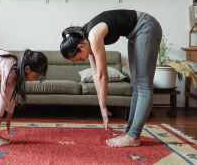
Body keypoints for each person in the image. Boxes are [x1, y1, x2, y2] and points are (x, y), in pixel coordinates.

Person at [60, 9, 162, 147]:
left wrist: (103, 107)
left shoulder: (93, 36)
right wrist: (102, 106)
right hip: (134, 34)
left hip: (146, 26)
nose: (79, 61)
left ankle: (133, 136)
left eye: (77, 59)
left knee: (143, 85)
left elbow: (103, 75)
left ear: (80, 47)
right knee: (136, 85)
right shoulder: (86, 40)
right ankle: (130, 133)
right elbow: (96, 75)